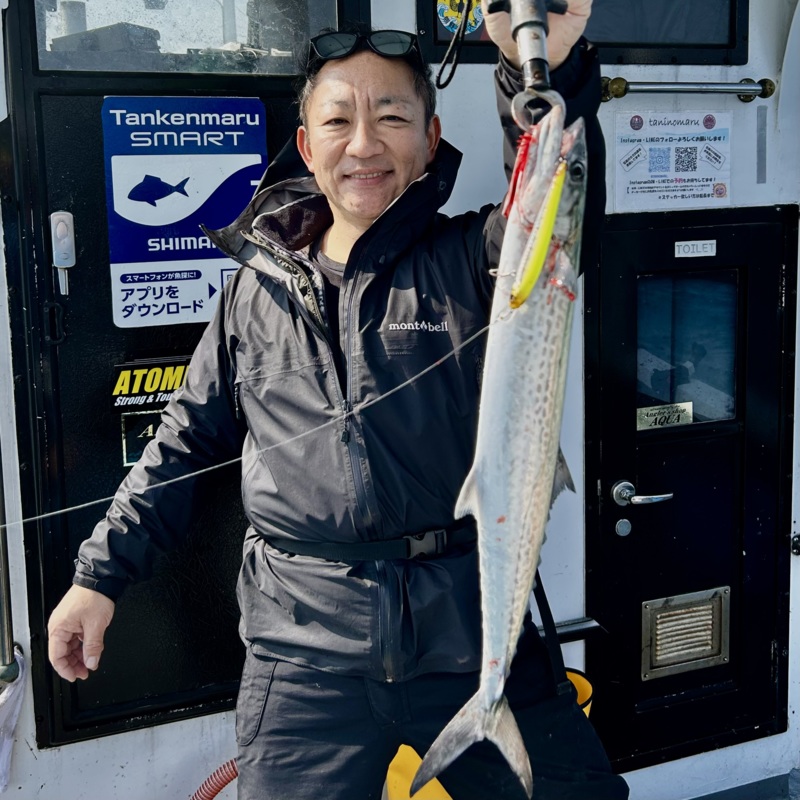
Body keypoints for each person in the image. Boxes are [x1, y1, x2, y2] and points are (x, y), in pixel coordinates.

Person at [48, 1, 627, 797]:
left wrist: (546, 71)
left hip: (472, 630)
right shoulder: (251, 293)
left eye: (393, 117)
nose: (364, 144)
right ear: (306, 146)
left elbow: (561, 211)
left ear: (429, 142)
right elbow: (181, 447)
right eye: (339, 120)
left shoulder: (475, 262)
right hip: (303, 662)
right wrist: (97, 577)